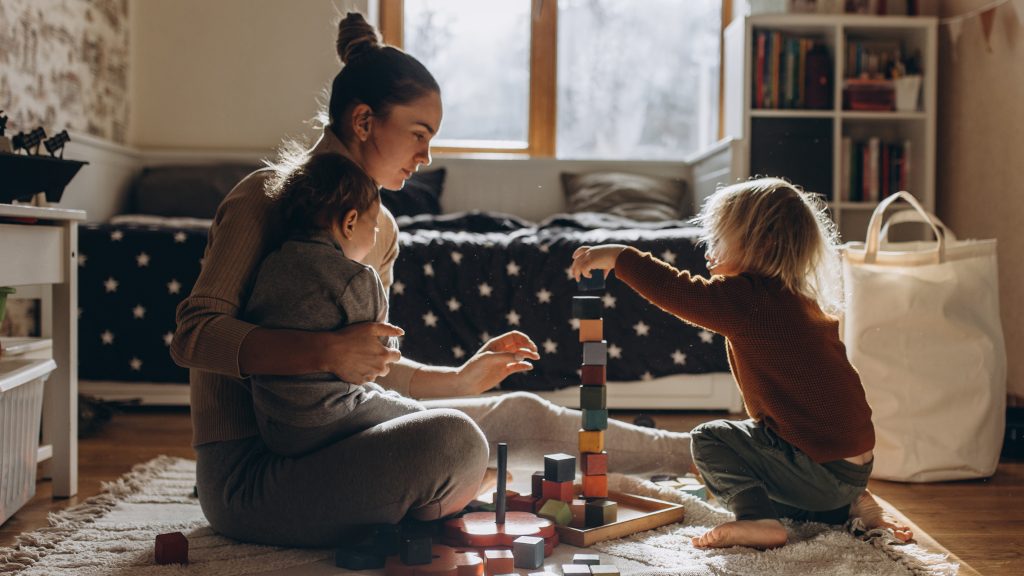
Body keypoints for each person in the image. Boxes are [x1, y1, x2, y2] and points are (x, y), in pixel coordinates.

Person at [172, 12, 694, 548]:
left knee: (518, 413)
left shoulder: (381, 229)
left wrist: (459, 380)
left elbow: (369, 367)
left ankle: (700, 453)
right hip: (252, 475)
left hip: (344, 432)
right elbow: (193, 335)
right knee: (452, 443)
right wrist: (325, 351)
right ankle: (442, 494)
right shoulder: (263, 197)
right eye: (419, 135)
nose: (425, 157)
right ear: (363, 121)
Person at [570, 177, 913, 550]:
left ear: (761, 245)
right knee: (757, 463)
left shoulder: (749, 298)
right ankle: (848, 504)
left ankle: (757, 519)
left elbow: (678, 290)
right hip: (852, 468)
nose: (708, 251)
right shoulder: (797, 298)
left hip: (818, 467)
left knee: (710, 439)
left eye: (718, 240)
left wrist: (621, 256)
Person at [244, 153, 420, 457]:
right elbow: (379, 352)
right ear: (350, 222)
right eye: (374, 227)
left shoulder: (270, 264)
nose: (375, 236)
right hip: (330, 415)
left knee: (379, 397)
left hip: (274, 425)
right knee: (425, 420)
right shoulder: (356, 277)